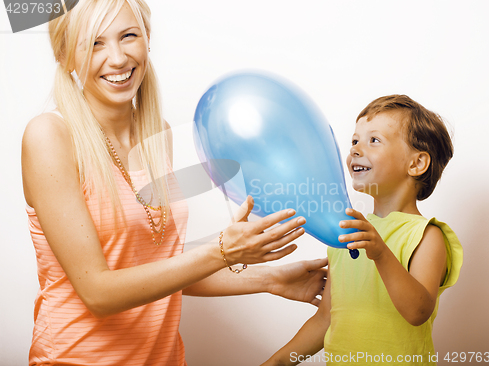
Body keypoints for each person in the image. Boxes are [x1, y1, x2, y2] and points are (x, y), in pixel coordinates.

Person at [21, 1, 328, 365]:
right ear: (64, 54)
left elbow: (156, 272)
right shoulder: (49, 136)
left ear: (147, 39)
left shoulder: (158, 135)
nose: (117, 58)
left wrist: (269, 279)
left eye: (128, 36)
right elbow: (98, 292)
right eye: (95, 43)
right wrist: (222, 250)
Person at [262, 95, 464, 366]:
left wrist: (381, 253)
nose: (355, 150)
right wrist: (276, 362)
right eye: (354, 141)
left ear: (416, 164)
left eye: (374, 140)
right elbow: (325, 319)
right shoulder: (346, 232)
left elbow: (417, 311)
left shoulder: (427, 235)